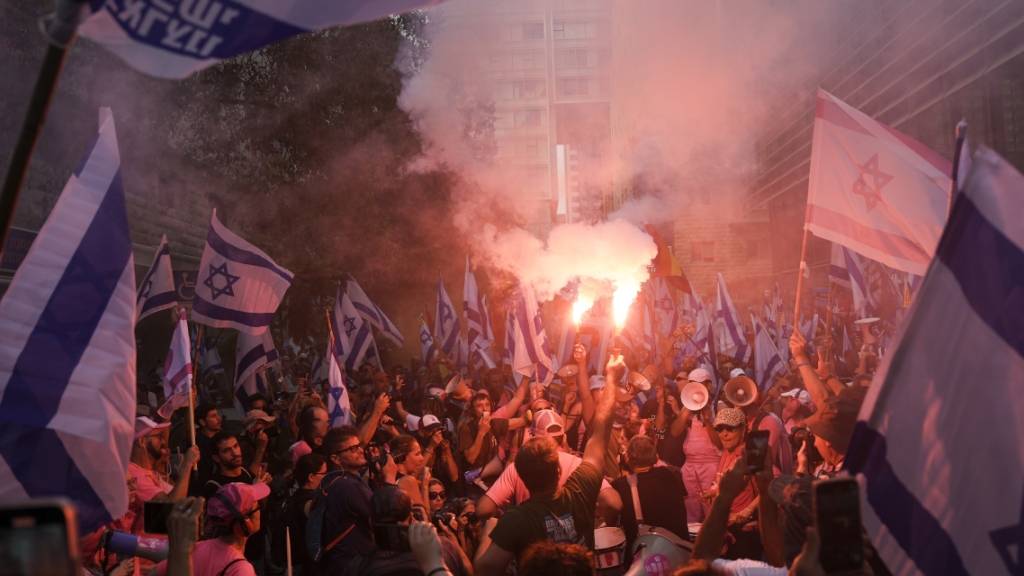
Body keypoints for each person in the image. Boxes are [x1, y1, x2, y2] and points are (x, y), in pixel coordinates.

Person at [474, 353, 621, 574]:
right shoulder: (580, 490)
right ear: (558, 469)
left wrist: (491, 529)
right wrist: (612, 378)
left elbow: (485, 569)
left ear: (522, 476)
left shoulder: (517, 520)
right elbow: (601, 430)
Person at [476, 408, 622, 521]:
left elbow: (483, 509)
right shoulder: (579, 465)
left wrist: (508, 518)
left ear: (532, 437)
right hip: (572, 552)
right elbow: (613, 503)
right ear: (563, 437)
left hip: (532, 551)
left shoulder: (518, 468)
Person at [151, 482, 270, 576]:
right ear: (245, 523)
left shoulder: (196, 548)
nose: (260, 511)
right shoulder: (241, 569)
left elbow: (153, 572)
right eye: (258, 506)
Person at [611, 435, 687, 564]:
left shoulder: (621, 486)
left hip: (644, 560)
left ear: (627, 458)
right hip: (678, 555)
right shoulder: (673, 475)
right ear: (656, 457)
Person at [662, 368, 721, 523]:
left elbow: (720, 443)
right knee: (691, 510)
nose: (697, 389)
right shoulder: (688, 408)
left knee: (711, 508)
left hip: (711, 465)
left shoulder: (718, 407)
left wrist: (708, 421)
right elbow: (674, 432)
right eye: (692, 385)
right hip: (690, 466)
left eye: (700, 385)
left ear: (708, 386)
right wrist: (686, 408)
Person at [319, 426, 380, 573]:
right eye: (352, 449)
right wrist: (388, 478)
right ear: (335, 458)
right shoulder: (347, 486)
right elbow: (382, 515)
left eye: (359, 445)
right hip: (352, 565)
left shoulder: (331, 482)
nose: (360, 450)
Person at [708, 407, 764, 560]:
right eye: (719, 429)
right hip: (726, 528)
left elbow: (771, 487)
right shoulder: (727, 452)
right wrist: (713, 491)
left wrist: (746, 512)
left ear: (743, 429)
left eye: (730, 429)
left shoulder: (751, 454)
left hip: (744, 531)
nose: (724, 434)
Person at [128, 417, 199, 534]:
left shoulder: (148, 471)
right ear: (142, 441)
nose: (164, 442)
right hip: (147, 549)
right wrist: (187, 465)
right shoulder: (134, 475)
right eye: (159, 437)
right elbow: (170, 511)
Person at [286, 453, 326, 575]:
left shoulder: (296, 496)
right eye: (324, 473)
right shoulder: (308, 500)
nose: (326, 477)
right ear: (311, 477)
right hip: (307, 565)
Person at [203, 432, 270, 498]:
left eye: (236, 446)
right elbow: (235, 507)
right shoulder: (215, 486)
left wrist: (264, 487)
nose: (235, 453)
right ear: (216, 458)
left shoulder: (245, 472)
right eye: (227, 450)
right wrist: (255, 489)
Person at [390, 434, 431, 519]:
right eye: (417, 454)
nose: (422, 458)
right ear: (403, 457)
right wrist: (425, 486)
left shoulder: (390, 479)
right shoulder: (408, 481)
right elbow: (424, 521)